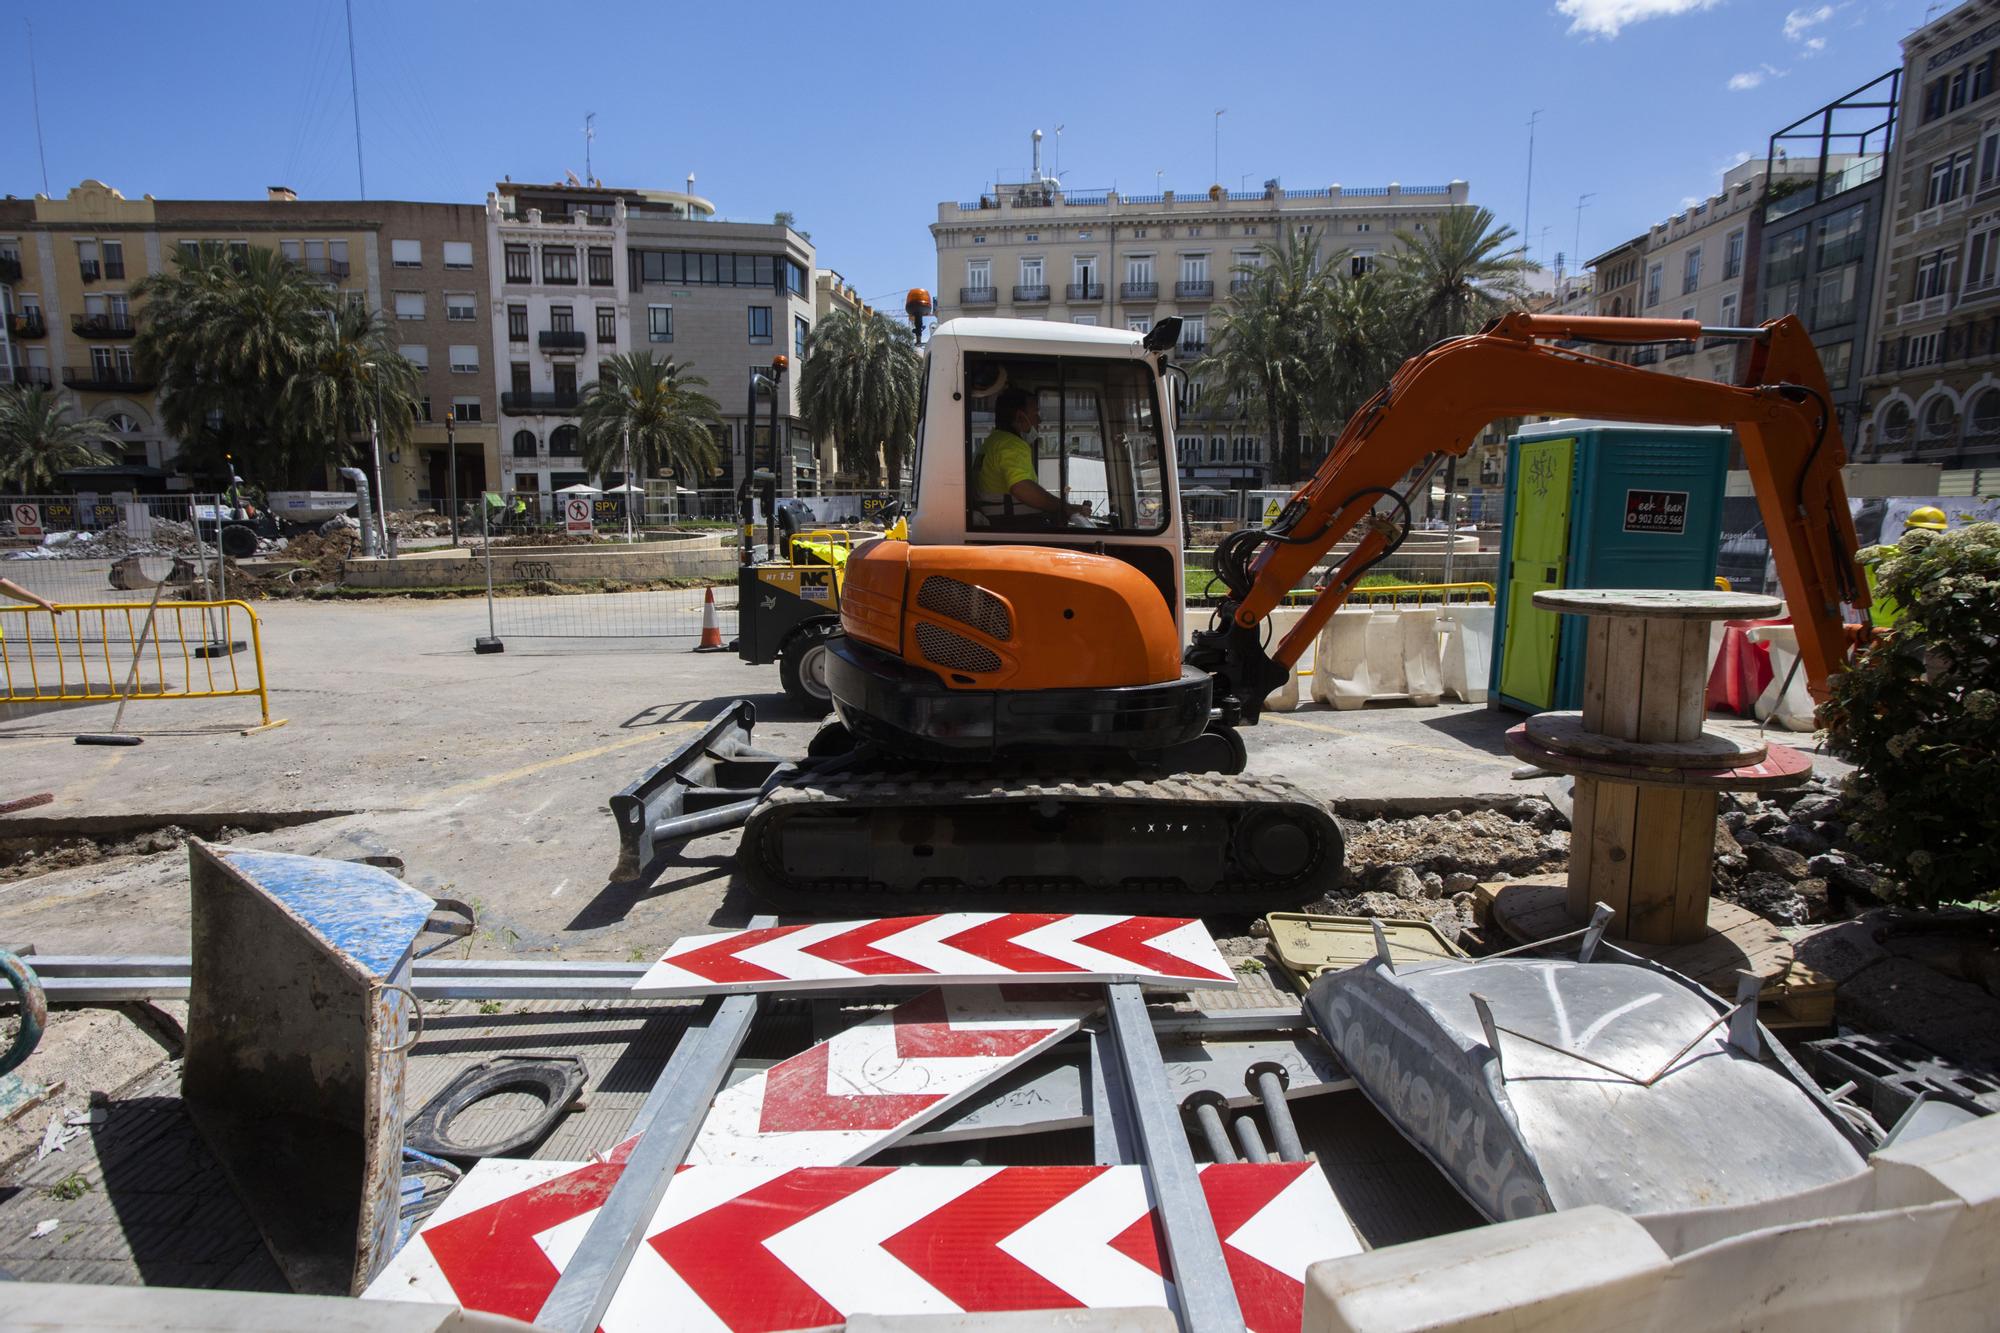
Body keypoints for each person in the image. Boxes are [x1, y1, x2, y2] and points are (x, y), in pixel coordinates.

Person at [971, 386, 1092, 525]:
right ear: (1020, 417)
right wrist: (1066, 508)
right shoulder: (1011, 445)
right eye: (1036, 414)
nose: (1039, 420)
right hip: (1013, 527)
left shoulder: (993, 442)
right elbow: (1022, 488)